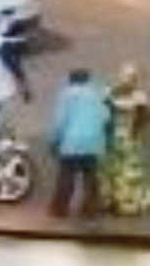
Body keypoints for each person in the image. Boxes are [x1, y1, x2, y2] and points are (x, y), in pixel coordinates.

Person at [47, 67, 112, 219]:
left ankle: (59, 209)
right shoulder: (97, 93)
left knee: (66, 177)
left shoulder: (66, 95)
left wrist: (53, 142)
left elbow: (59, 122)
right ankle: (90, 210)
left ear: (71, 80)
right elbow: (106, 117)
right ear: (87, 79)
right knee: (91, 177)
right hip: (93, 141)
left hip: (71, 143)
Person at [102, 63, 150, 217]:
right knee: (129, 172)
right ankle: (127, 204)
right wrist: (138, 132)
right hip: (130, 139)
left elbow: (104, 115)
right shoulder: (139, 96)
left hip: (115, 138)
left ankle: (112, 201)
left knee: (114, 170)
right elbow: (147, 118)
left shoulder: (110, 94)